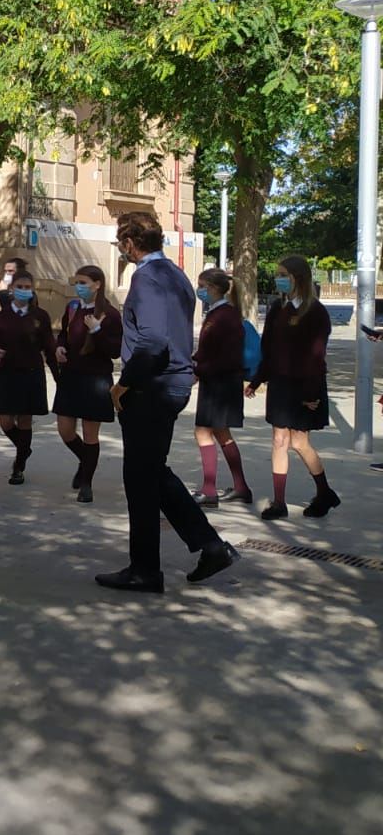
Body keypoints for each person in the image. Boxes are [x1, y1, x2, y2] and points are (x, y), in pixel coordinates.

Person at [97, 211, 238, 593]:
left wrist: (121, 386)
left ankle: (146, 570)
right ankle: (209, 546)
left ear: (129, 243)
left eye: (121, 243)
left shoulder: (147, 276)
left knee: (140, 480)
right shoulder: (175, 274)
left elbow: (153, 341)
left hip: (151, 387)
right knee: (151, 474)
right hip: (170, 384)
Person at [246, 256, 339, 520]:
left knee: (299, 442)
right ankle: (279, 502)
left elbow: (316, 356)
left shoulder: (316, 312)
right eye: (278, 274)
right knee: (279, 440)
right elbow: (269, 349)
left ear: (299, 277)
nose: (279, 279)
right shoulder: (277, 308)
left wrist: (311, 394)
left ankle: (324, 492)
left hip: (305, 386)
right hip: (280, 385)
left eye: (283, 274)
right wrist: (257, 380)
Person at [53, 266, 123, 504]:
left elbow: (115, 351)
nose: (78, 287)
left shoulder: (110, 314)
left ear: (97, 284)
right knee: (65, 430)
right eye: (77, 282)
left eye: (83, 282)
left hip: (96, 378)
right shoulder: (72, 308)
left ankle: (86, 483)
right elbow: (63, 333)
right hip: (71, 376)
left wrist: (98, 330)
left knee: (90, 433)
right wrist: (59, 347)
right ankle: (86, 462)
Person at [0, 269, 58, 484]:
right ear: (12, 289)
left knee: (25, 419)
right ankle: (24, 448)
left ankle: (19, 467)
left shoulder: (40, 316)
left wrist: (58, 376)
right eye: (20, 287)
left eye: (28, 287)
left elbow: (49, 346)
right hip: (8, 373)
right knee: (6, 421)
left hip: (31, 373)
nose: (24, 291)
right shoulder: (3, 315)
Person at [191, 269, 251, 507]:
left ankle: (209, 490)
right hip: (218, 382)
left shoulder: (224, 316)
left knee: (203, 432)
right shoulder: (219, 313)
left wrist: (199, 369)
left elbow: (225, 356)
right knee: (221, 433)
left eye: (202, 286)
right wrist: (196, 361)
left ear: (214, 288)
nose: (200, 290)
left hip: (220, 384)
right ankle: (241, 487)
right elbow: (210, 349)